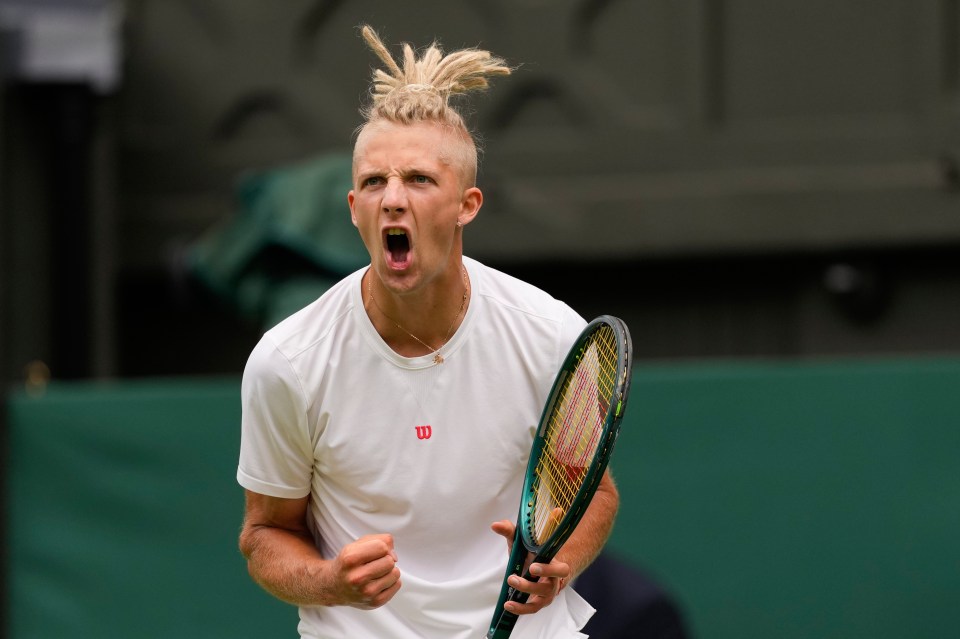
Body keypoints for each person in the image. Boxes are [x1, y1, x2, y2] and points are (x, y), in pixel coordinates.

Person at [237, 25, 620, 638]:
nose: (392, 199)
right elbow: (266, 533)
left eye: (418, 179)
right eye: (373, 182)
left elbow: (593, 492)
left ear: (467, 204)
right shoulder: (288, 361)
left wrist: (561, 563)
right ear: (354, 208)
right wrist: (330, 582)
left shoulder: (549, 334)